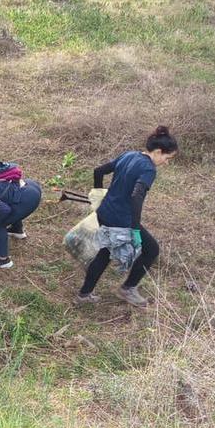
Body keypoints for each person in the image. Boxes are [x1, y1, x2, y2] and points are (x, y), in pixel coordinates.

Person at [74, 126, 178, 307]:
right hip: (120, 220)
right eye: (167, 158)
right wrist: (135, 228)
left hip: (104, 213)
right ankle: (128, 289)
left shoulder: (129, 155)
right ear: (159, 152)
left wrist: (98, 195)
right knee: (151, 250)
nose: (166, 163)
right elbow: (136, 197)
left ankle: (84, 295)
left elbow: (98, 171)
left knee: (105, 254)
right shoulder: (149, 169)